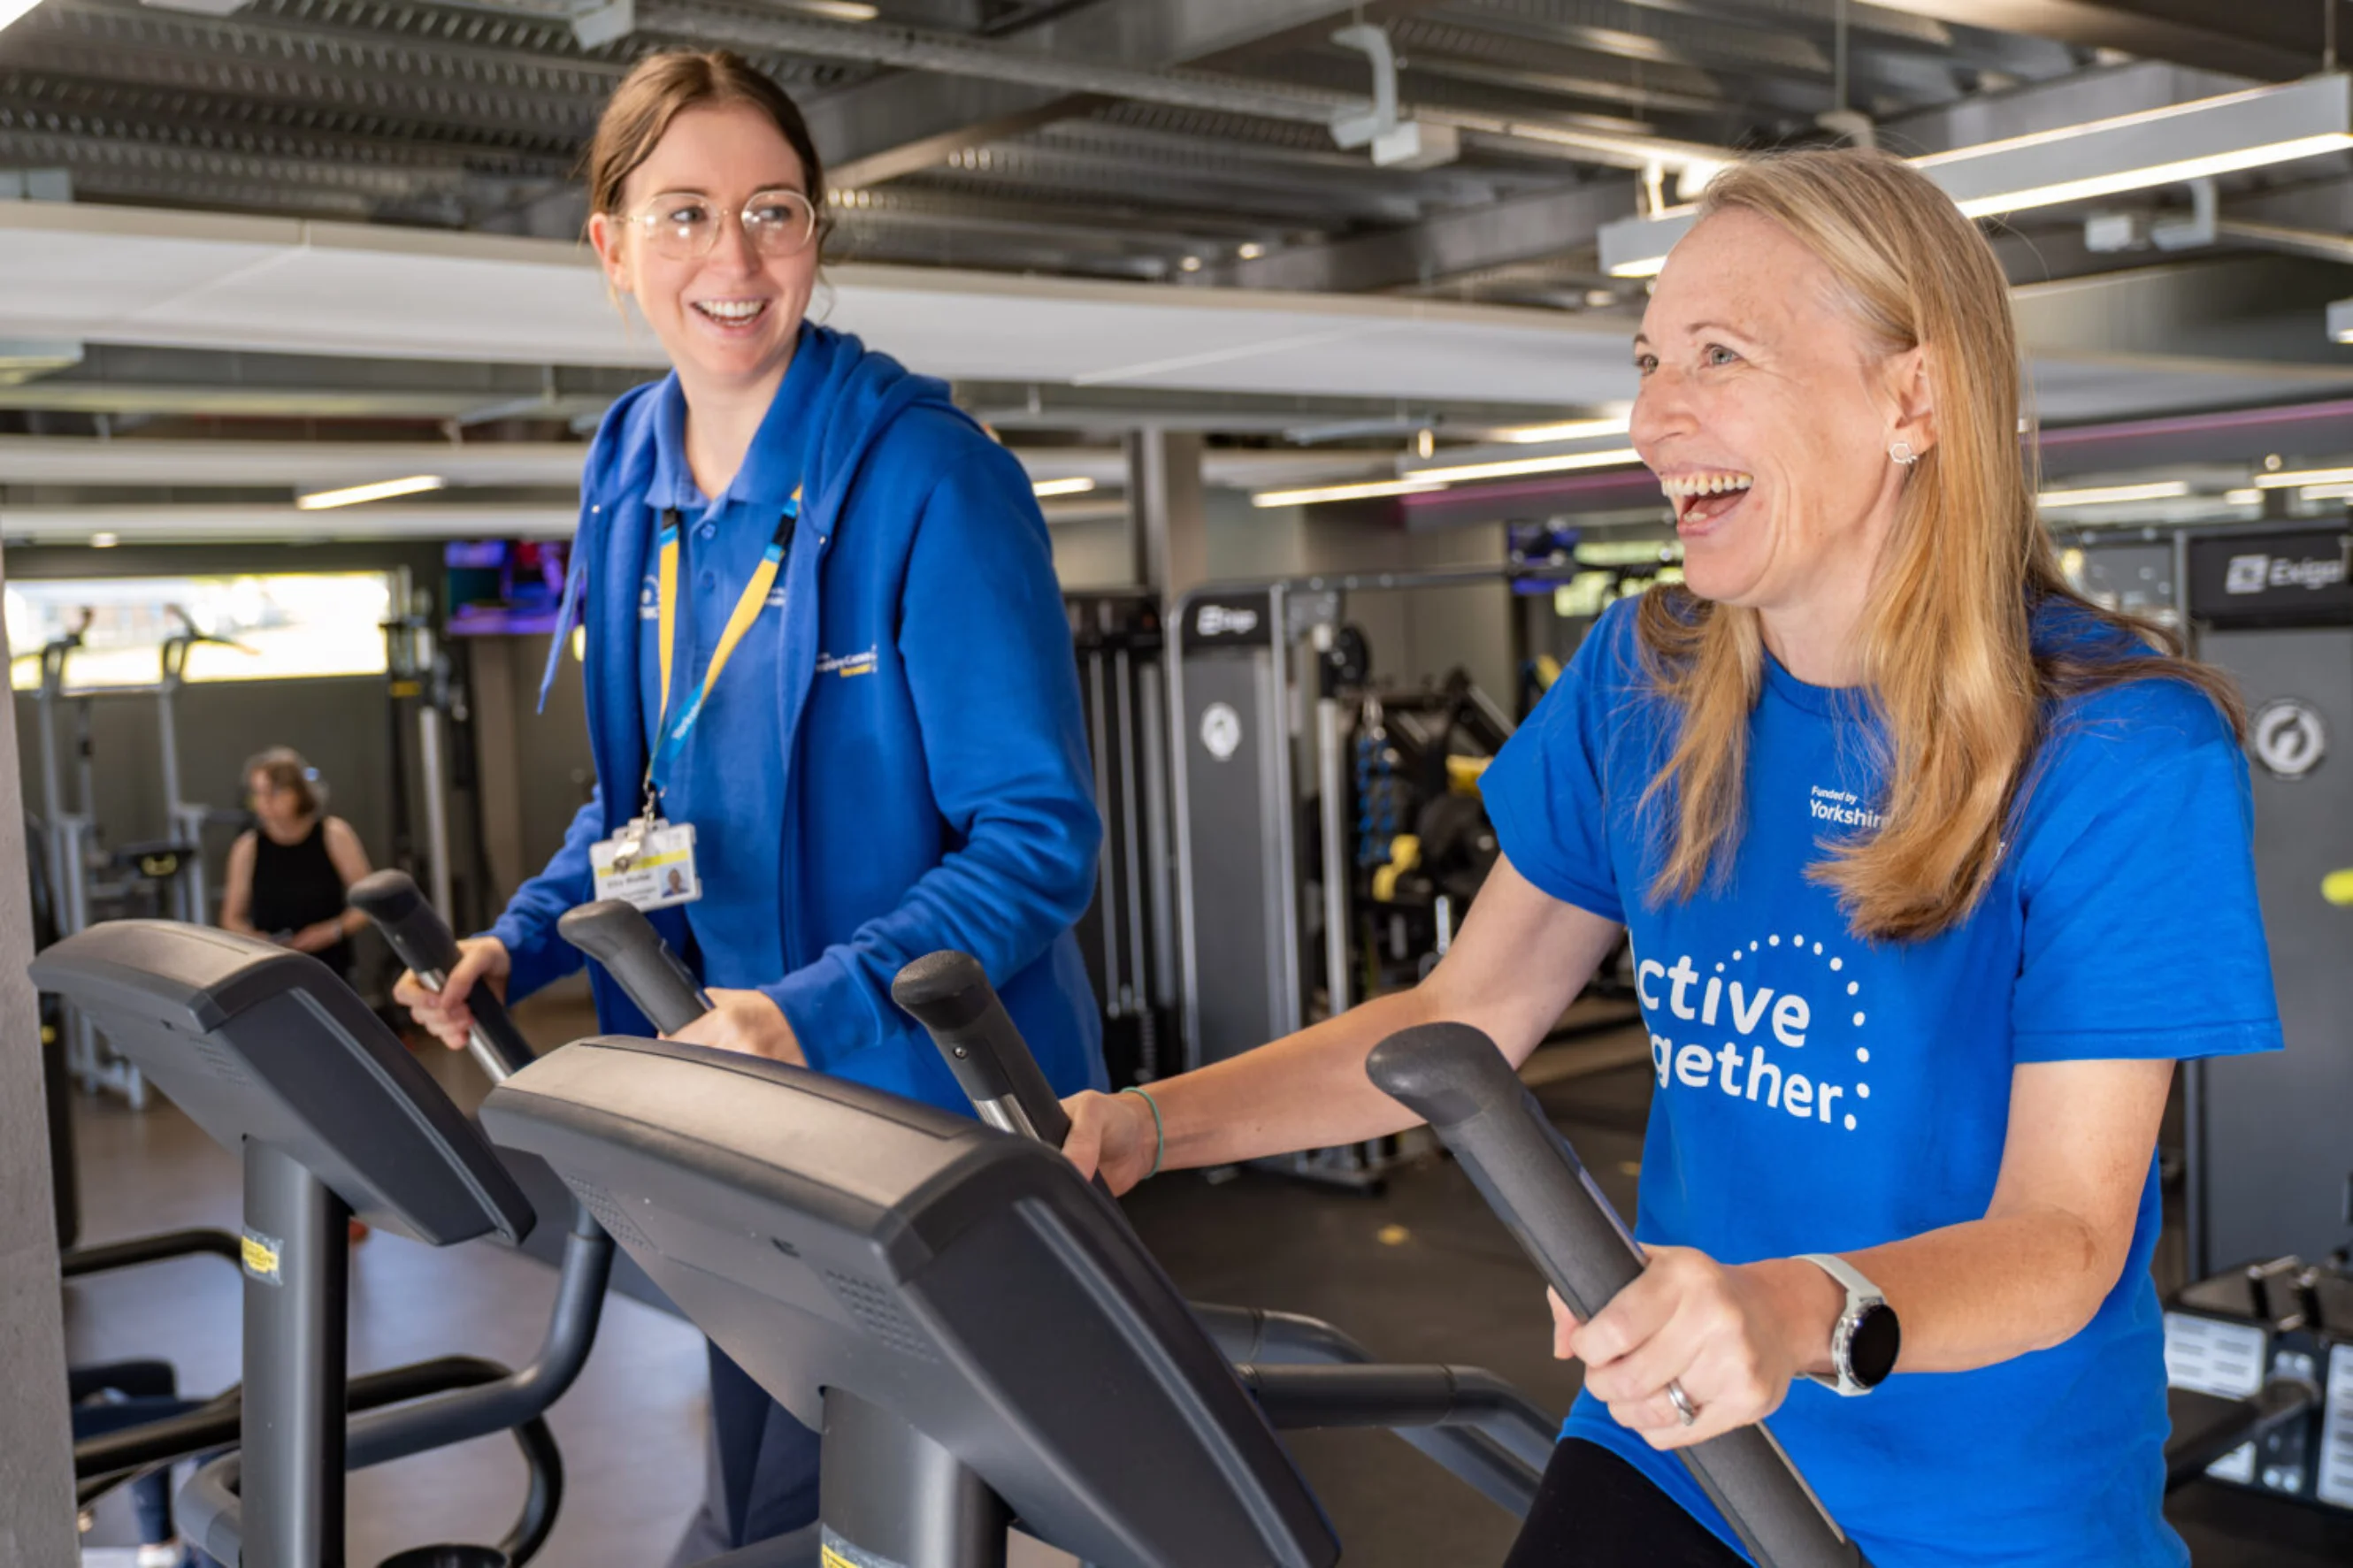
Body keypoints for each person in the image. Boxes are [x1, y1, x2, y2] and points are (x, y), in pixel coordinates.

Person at [1063, 147, 2280, 1568]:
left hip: (1986, 1505)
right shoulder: (1642, 681)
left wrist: (1786, 1309)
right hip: (1685, 1441)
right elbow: (1462, 1017)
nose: (1652, 417)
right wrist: (1139, 1133)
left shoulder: (2120, 751)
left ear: (1915, 398)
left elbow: (2067, 1232)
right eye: (1648, 360)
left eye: (1719, 355)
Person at [391, 50, 1106, 1564]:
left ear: (819, 234)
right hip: (741, 1127)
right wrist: (519, 944)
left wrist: (806, 1010)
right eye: (685, 214)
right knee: (775, 1514)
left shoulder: (931, 481)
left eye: (773, 211)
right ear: (610, 245)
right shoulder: (628, 475)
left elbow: (1037, 841)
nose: (734, 259)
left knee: (905, 1524)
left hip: (927, 1136)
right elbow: (647, 800)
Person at [220, 746, 372, 982]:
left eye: (274, 792)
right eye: (259, 794)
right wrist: (261, 941)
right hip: (271, 967)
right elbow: (232, 918)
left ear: (298, 792)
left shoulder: (334, 834)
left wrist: (332, 931)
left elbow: (368, 905)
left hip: (330, 967)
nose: (265, 802)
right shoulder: (247, 847)